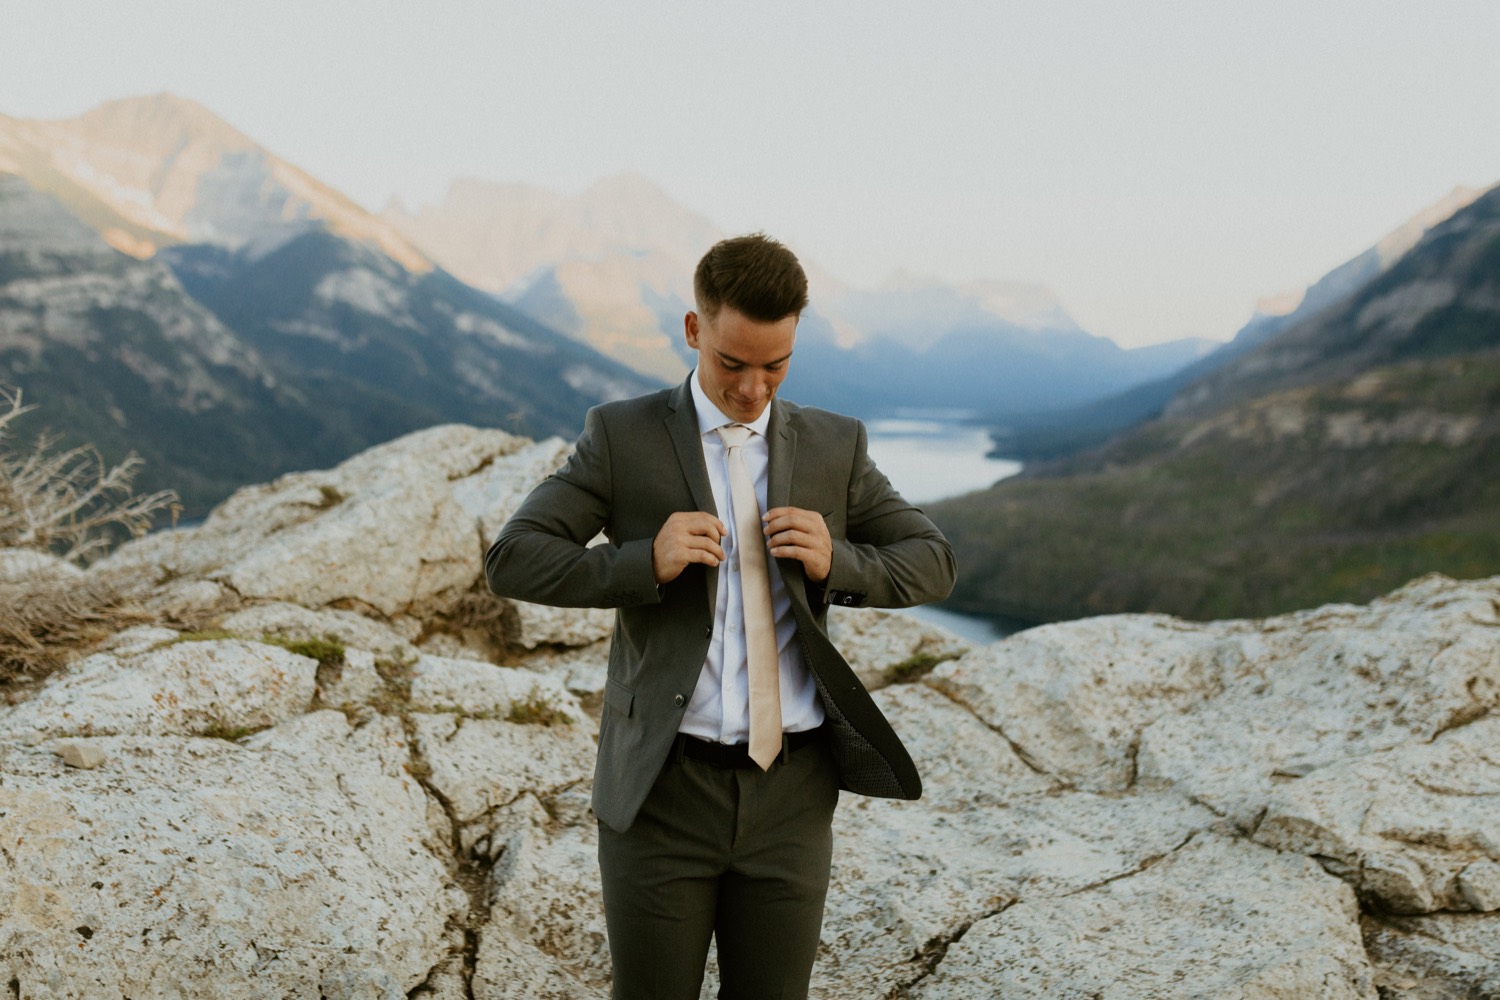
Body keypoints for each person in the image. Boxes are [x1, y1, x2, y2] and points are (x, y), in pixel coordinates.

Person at [485, 233, 956, 999]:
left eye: (776, 366)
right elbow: (514, 556)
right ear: (694, 329)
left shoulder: (836, 445)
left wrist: (843, 560)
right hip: (662, 792)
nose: (752, 389)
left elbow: (932, 559)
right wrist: (642, 559)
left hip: (793, 796)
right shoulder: (620, 435)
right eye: (733, 364)